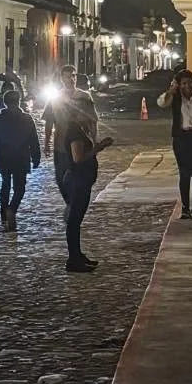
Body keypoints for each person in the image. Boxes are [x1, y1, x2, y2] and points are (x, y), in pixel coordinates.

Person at [0, 88, 41, 231]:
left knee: (5, 186)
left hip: (4, 158)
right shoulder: (27, 119)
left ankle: (4, 217)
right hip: (21, 158)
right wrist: (36, 157)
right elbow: (34, 141)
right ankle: (12, 209)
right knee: (20, 188)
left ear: (5, 103)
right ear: (18, 102)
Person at [60, 103, 115, 272]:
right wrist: (99, 147)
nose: (92, 116)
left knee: (76, 220)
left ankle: (77, 255)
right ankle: (74, 259)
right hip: (78, 180)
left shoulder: (79, 129)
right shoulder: (75, 132)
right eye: (90, 112)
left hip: (81, 180)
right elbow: (78, 158)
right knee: (74, 221)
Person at [158, 68, 192, 220]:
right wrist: (171, 90)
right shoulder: (175, 98)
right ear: (178, 84)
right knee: (184, 174)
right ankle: (186, 209)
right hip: (181, 138)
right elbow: (161, 102)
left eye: (190, 83)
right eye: (183, 83)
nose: (187, 86)